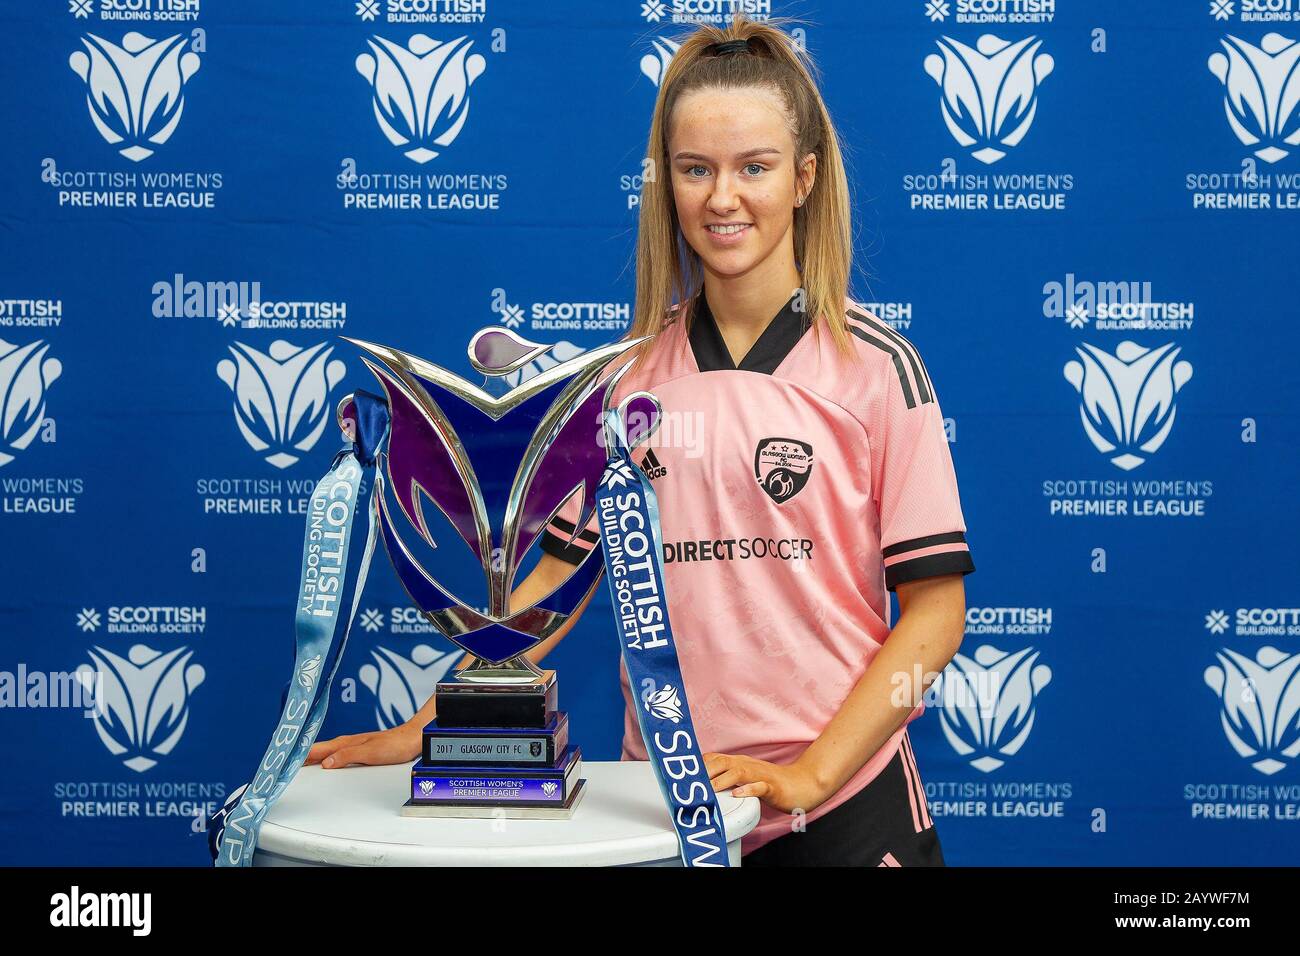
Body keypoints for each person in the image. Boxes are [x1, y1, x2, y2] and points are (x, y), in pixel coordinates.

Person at [308, 14, 974, 867]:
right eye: (696, 170)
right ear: (665, 185)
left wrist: (810, 774)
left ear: (805, 177)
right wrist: (440, 722)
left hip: (847, 808)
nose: (722, 197)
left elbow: (936, 609)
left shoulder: (876, 369)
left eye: (755, 168)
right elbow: (559, 578)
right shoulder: (627, 384)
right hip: (673, 806)